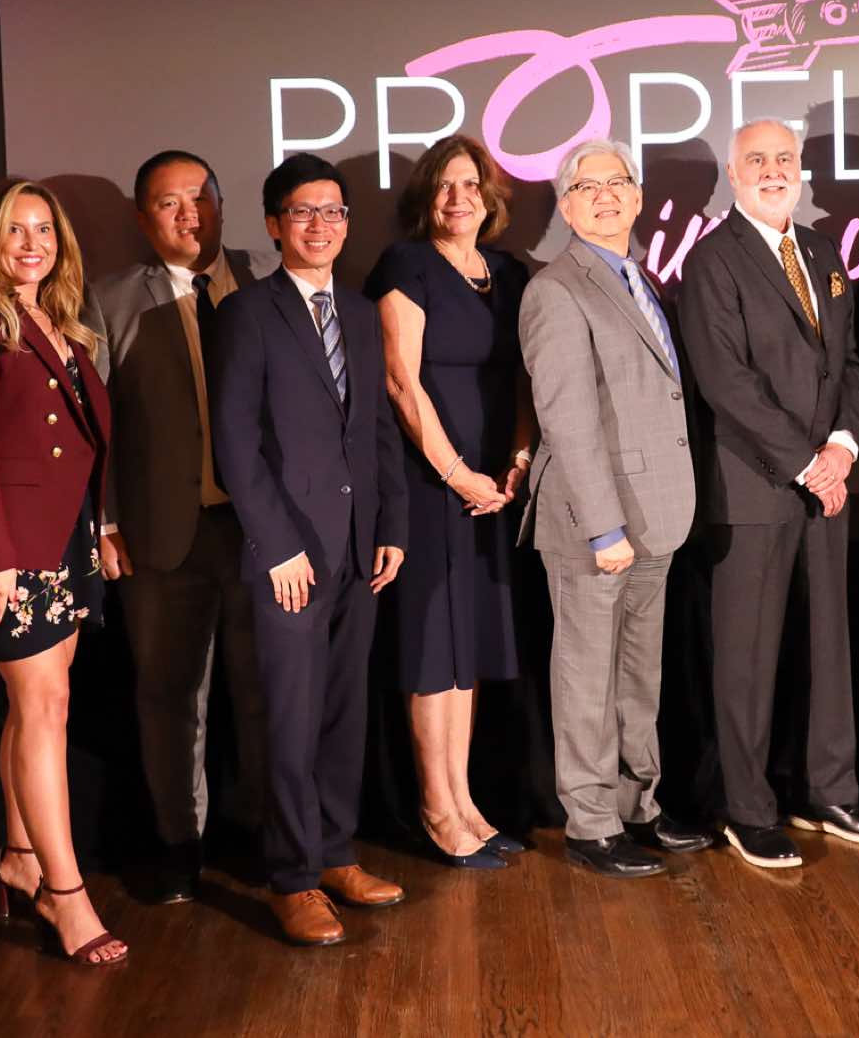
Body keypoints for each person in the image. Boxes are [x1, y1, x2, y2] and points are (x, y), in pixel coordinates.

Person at [679, 120, 859, 869]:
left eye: (783, 159)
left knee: (828, 646)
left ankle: (830, 791)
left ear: (800, 169)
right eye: (757, 160)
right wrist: (808, 463)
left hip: (826, 484)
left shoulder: (821, 252)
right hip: (755, 487)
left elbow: (850, 364)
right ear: (733, 174)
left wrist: (842, 448)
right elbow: (727, 381)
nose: (772, 171)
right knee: (747, 657)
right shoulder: (713, 259)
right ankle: (747, 809)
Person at [207, 152, 409, 947]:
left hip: (358, 549)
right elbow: (235, 442)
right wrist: (277, 543)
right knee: (289, 719)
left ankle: (333, 852)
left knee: (343, 712)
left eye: (333, 211)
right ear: (273, 223)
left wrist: (390, 526)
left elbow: (378, 428)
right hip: (288, 553)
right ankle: (291, 877)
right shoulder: (247, 313)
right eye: (303, 210)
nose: (320, 224)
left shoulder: (358, 311)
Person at [0, 178, 126, 966]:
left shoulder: (61, 321)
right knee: (43, 706)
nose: (32, 243)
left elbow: (82, 444)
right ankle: (66, 894)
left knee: (41, 704)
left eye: (44, 229)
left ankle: (19, 853)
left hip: (65, 538)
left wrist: (101, 527)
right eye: (15, 229)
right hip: (11, 547)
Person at [519, 137, 714, 879]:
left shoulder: (639, 277)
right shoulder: (556, 290)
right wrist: (604, 527)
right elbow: (566, 419)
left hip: (656, 512)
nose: (605, 196)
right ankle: (592, 824)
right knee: (587, 677)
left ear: (637, 197)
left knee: (638, 674)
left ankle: (640, 805)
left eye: (617, 183)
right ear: (566, 208)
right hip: (595, 524)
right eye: (586, 186)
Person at [83, 149, 265, 902]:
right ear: (142, 217)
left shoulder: (269, 278)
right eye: (169, 202)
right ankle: (178, 843)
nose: (190, 214)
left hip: (263, 535)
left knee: (266, 691)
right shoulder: (109, 299)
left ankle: (262, 835)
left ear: (222, 203)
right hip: (160, 533)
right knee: (168, 695)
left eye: (201, 197)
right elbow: (94, 424)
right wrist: (105, 520)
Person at [364, 138, 533, 870]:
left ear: (490, 196)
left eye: (471, 184)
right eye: (444, 186)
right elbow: (400, 382)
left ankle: (466, 802)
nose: (458, 198)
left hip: (492, 489)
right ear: (424, 198)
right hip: (430, 485)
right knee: (434, 650)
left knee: (468, 651)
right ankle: (436, 808)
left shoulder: (509, 273)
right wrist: (458, 473)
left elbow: (525, 376)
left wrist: (518, 458)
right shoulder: (405, 265)